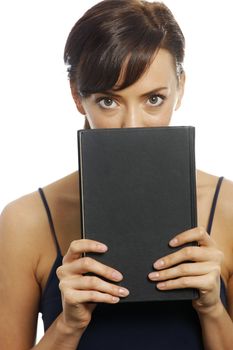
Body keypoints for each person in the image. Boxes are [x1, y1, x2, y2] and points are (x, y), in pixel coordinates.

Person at [0, 0, 233, 349]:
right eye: (109, 101)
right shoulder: (25, 221)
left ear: (180, 89)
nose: (132, 125)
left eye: (154, 99)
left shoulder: (228, 207)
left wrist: (212, 308)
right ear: (79, 97)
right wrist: (68, 324)